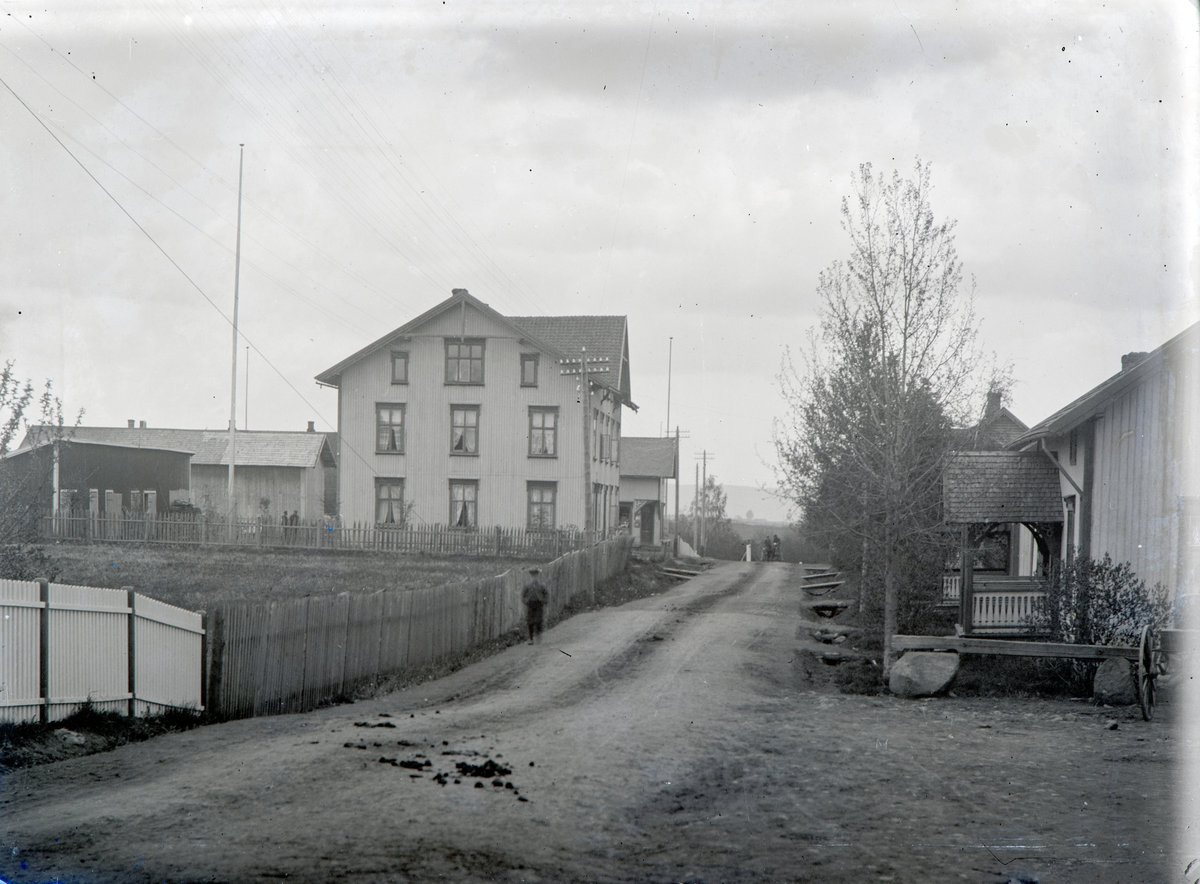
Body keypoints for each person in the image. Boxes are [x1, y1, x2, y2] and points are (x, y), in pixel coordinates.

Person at [521, 567, 549, 644]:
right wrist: (525, 601)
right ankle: (530, 639)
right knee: (530, 621)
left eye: (535, 575)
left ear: (537, 576)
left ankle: (538, 637)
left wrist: (544, 601)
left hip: (539, 604)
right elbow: (523, 595)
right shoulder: (527, 586)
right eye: (532, 575)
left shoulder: (541, 585)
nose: (534, 577)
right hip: (530, 604)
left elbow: (546, 594)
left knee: (539, 620)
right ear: (530, 576)